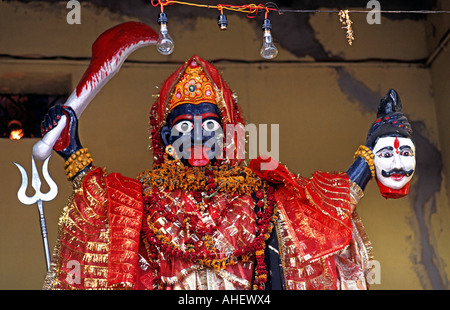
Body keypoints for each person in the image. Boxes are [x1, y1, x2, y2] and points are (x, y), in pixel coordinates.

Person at [41, 55, 415, 290]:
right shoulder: (143, 198)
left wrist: (370, 155)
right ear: (165, 135)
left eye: (210, 124)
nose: (200, 136)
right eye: (185, 126)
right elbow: (107, 218)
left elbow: (318, 225)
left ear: (230, 130)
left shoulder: (259, 193)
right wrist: (72, 150)